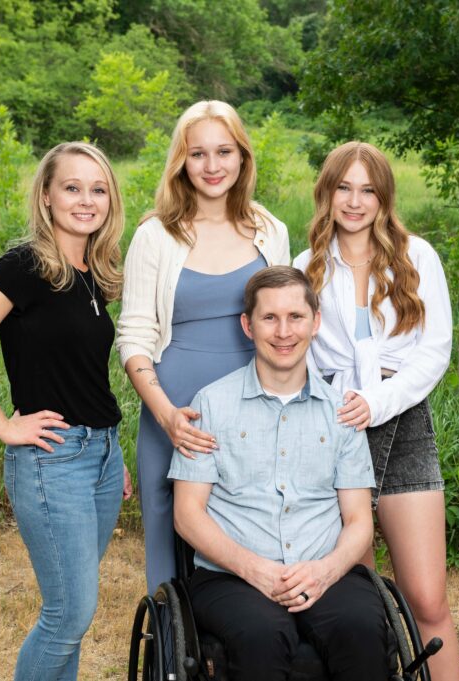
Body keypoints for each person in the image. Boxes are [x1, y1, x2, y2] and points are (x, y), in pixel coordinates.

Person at [0, 141, 133, 681]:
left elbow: (83, 375)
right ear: (47, 196)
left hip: (101, 458)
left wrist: (112, 453)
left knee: (74, 610)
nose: (86, 200)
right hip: (53, 459)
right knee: (68, 615)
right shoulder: (23, 265)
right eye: (72, 187)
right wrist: (2, 424)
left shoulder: (94, 270)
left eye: (98, 189)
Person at [293, 141, 459, 679]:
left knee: (428, 598)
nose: (355, 201)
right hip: (338, 429)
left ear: (384, 197)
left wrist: (380, 402)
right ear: (327, 193)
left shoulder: (418, 256)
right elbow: (298, 355)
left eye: (368, 189)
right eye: (344, 187)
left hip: (404, 420)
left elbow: (434, 352)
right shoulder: (305, 266)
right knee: (362, 607)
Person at [170, 266, 388, 680]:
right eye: (269, 318)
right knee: (262, 634)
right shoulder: (211, 405)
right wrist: (254, 569)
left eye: (295, 317)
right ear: (247, 326)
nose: (283, 331)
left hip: (324, 570)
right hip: (230, 576)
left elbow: (360, 520)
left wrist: (325, 571)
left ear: (315, 322)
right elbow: (187, 514)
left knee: (360, 627)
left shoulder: (341, 412)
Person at [117, 100, 290, 593]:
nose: (212, 167)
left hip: (255, 409)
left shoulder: (269, 231)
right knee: (173, 542)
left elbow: (286, 330)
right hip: (176, 412)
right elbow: (133, 336)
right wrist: (167, 414)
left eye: (224, 151)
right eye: (198, 154)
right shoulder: (155, 236)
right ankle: (174, 663)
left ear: (242, 158)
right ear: (182, 162)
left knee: (250, 532)